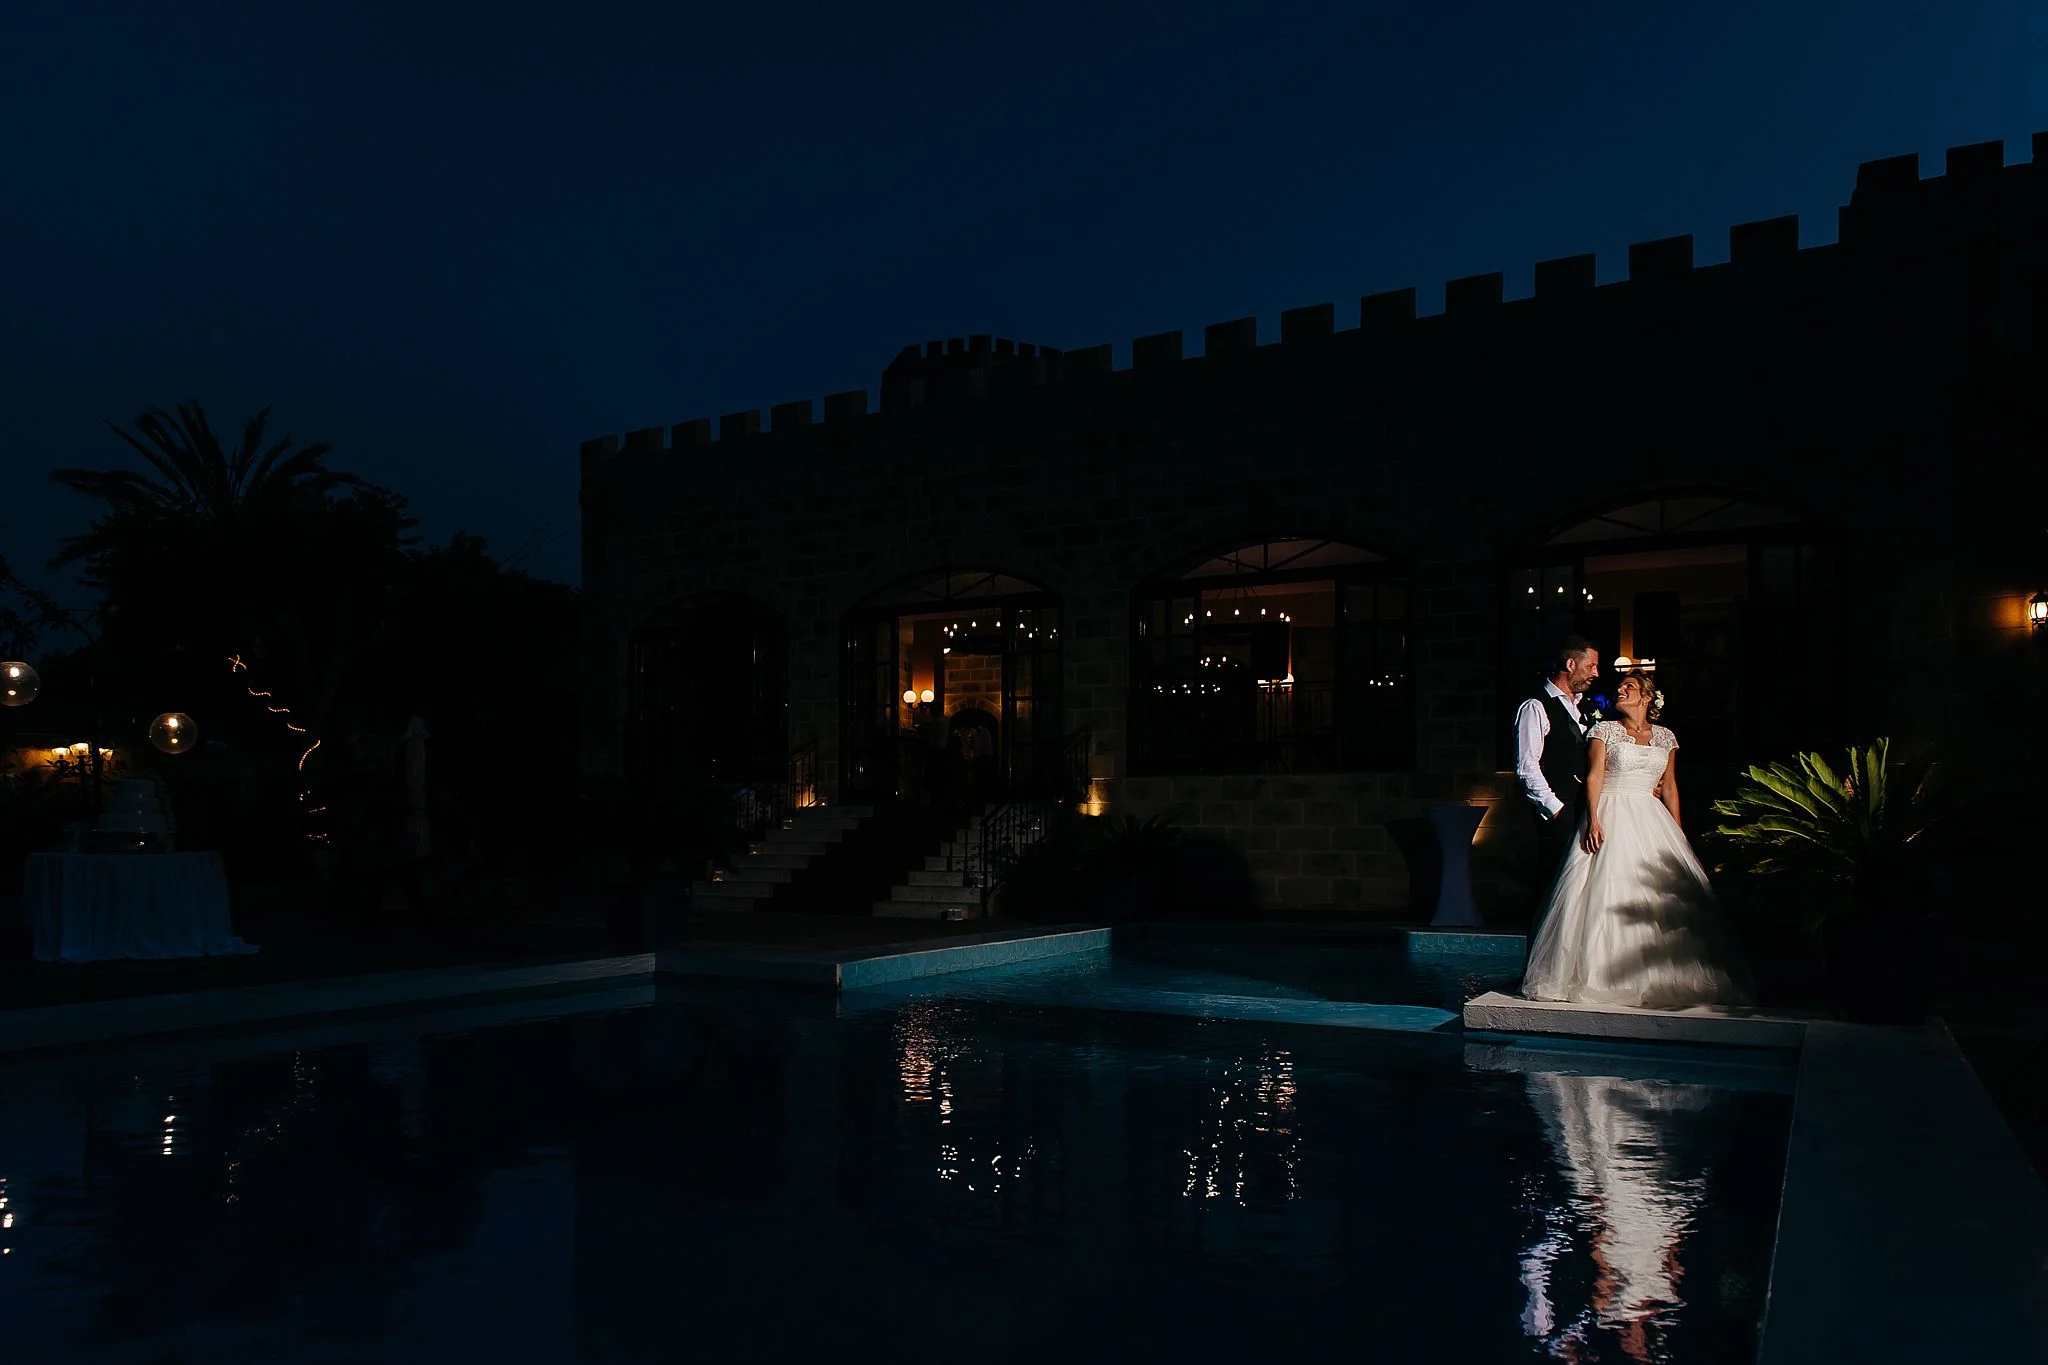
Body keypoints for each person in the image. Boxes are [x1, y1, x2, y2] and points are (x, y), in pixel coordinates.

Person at [1520, 671, 1753, 1009]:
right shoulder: (1604, 731)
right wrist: (1594, 818)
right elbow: (1594, 775)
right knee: (1606, 891)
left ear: (1647, 697)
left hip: (1650, 815)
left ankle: (1666, 978)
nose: (1621, 690)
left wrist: (1677, 830)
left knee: (1661, 897)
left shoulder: (1665, 737)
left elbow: (1669, 785)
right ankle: (1601, 976)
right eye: (1620, 687)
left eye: (1629, 686)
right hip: (1612, 810)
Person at [1513, 636, 1601, 911]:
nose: (1596, 674)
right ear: (1571, 664)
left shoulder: (1585, 707)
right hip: (1560, 814)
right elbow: (1527, 767)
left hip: (1587, 810)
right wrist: (1555, 809)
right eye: (1591, 666)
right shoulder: (1536, 706)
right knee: (1553, 890)